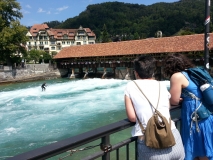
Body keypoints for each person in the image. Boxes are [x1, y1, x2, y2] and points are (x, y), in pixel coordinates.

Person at [124, 55, 185, 160]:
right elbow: (167, 106)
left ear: (136, 73)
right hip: (174, 139)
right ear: (153, 71)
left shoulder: (130, 86)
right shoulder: (161, 84)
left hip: (151, 145)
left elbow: (132, 117)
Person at [163, 53, 213, 160]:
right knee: (205, 149)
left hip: (195, 120)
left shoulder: (177, 76)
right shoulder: (193, 73)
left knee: (200, 151)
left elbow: (174, 101)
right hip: (206, 115)